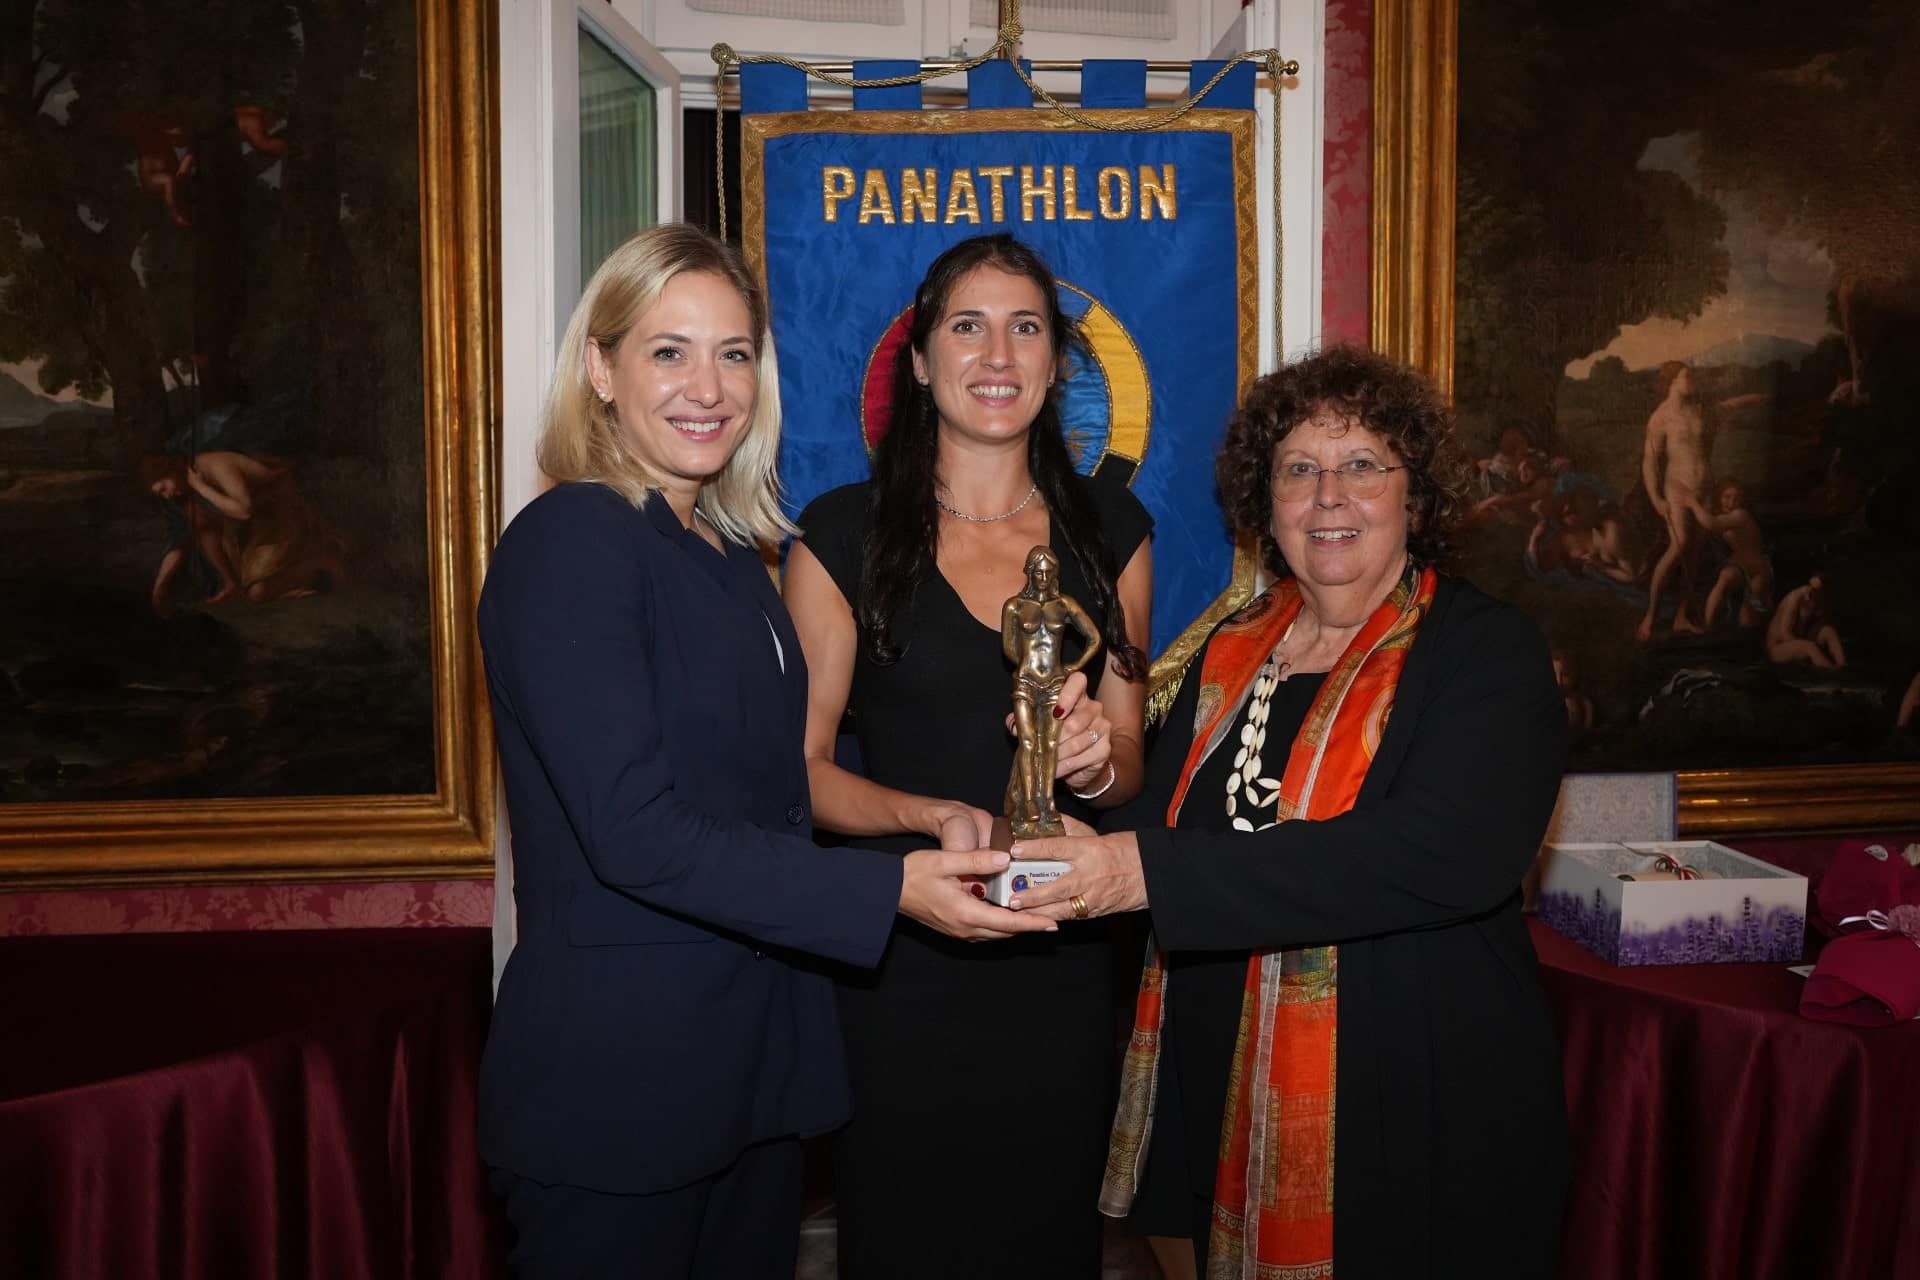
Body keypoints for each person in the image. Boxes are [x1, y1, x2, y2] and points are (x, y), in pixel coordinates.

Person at [475, 224, 1054, 1278]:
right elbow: (633, 831)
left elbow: (771, 782)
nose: (709, 387)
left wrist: (922, 814)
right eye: (669, 351)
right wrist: (890, 891)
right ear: (600, 368)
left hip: (748, 1075)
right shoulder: (572, 541)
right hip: (622, 1090)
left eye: (734, 353)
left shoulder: (728, 552)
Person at [1004, 346, 1570, 1279]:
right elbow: (1168, 823)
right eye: (1299, 469)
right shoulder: (1234, 646)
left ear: (1417, 497)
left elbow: (1438, 853)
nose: (1328, 496)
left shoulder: (1487, 653)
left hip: (1412, 1094)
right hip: (1213, 1073)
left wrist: (1141, 872)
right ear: (1264, 504)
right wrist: (1084, 816)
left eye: (1362, 465)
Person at [782, 232, 1154, 1279]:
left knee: (1048, 1241)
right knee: (905, 1240)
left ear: (1057, 362)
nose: (998, 354)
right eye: (968, 326)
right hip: (906, 951)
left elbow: (1128, 755)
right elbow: (801, 770)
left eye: (1025, 327)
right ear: (918, 359)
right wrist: (934, 818)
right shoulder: (842, 534)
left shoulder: (1113, 527)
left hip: (1061, 952)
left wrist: (1089, 764)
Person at [1693, 478, 1774, 628]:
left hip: (1758, 569)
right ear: (1719, 497)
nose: (1731, 503)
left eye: (1736, 499)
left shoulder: (1740, 515)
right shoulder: (1723, 517)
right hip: (1740, 566)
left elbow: (1712, 523)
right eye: (1727, 497)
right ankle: (1706, 628)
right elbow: (1707, 527)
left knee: (1747, 617)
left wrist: (1691, 503)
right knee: (1724, 579)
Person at [1767, 573, 1847, 667]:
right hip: (1778, 646)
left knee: (1829, 632)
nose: (1810, 591)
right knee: (1810, 647)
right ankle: (1832, 672)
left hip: (1801, 637)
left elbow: (1818, 626)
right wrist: (1804, 646)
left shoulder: (1820, 601)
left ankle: (1842, 667)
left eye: (1816, 591)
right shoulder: (1794, 599)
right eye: (1811, 587)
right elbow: (1785, 634)